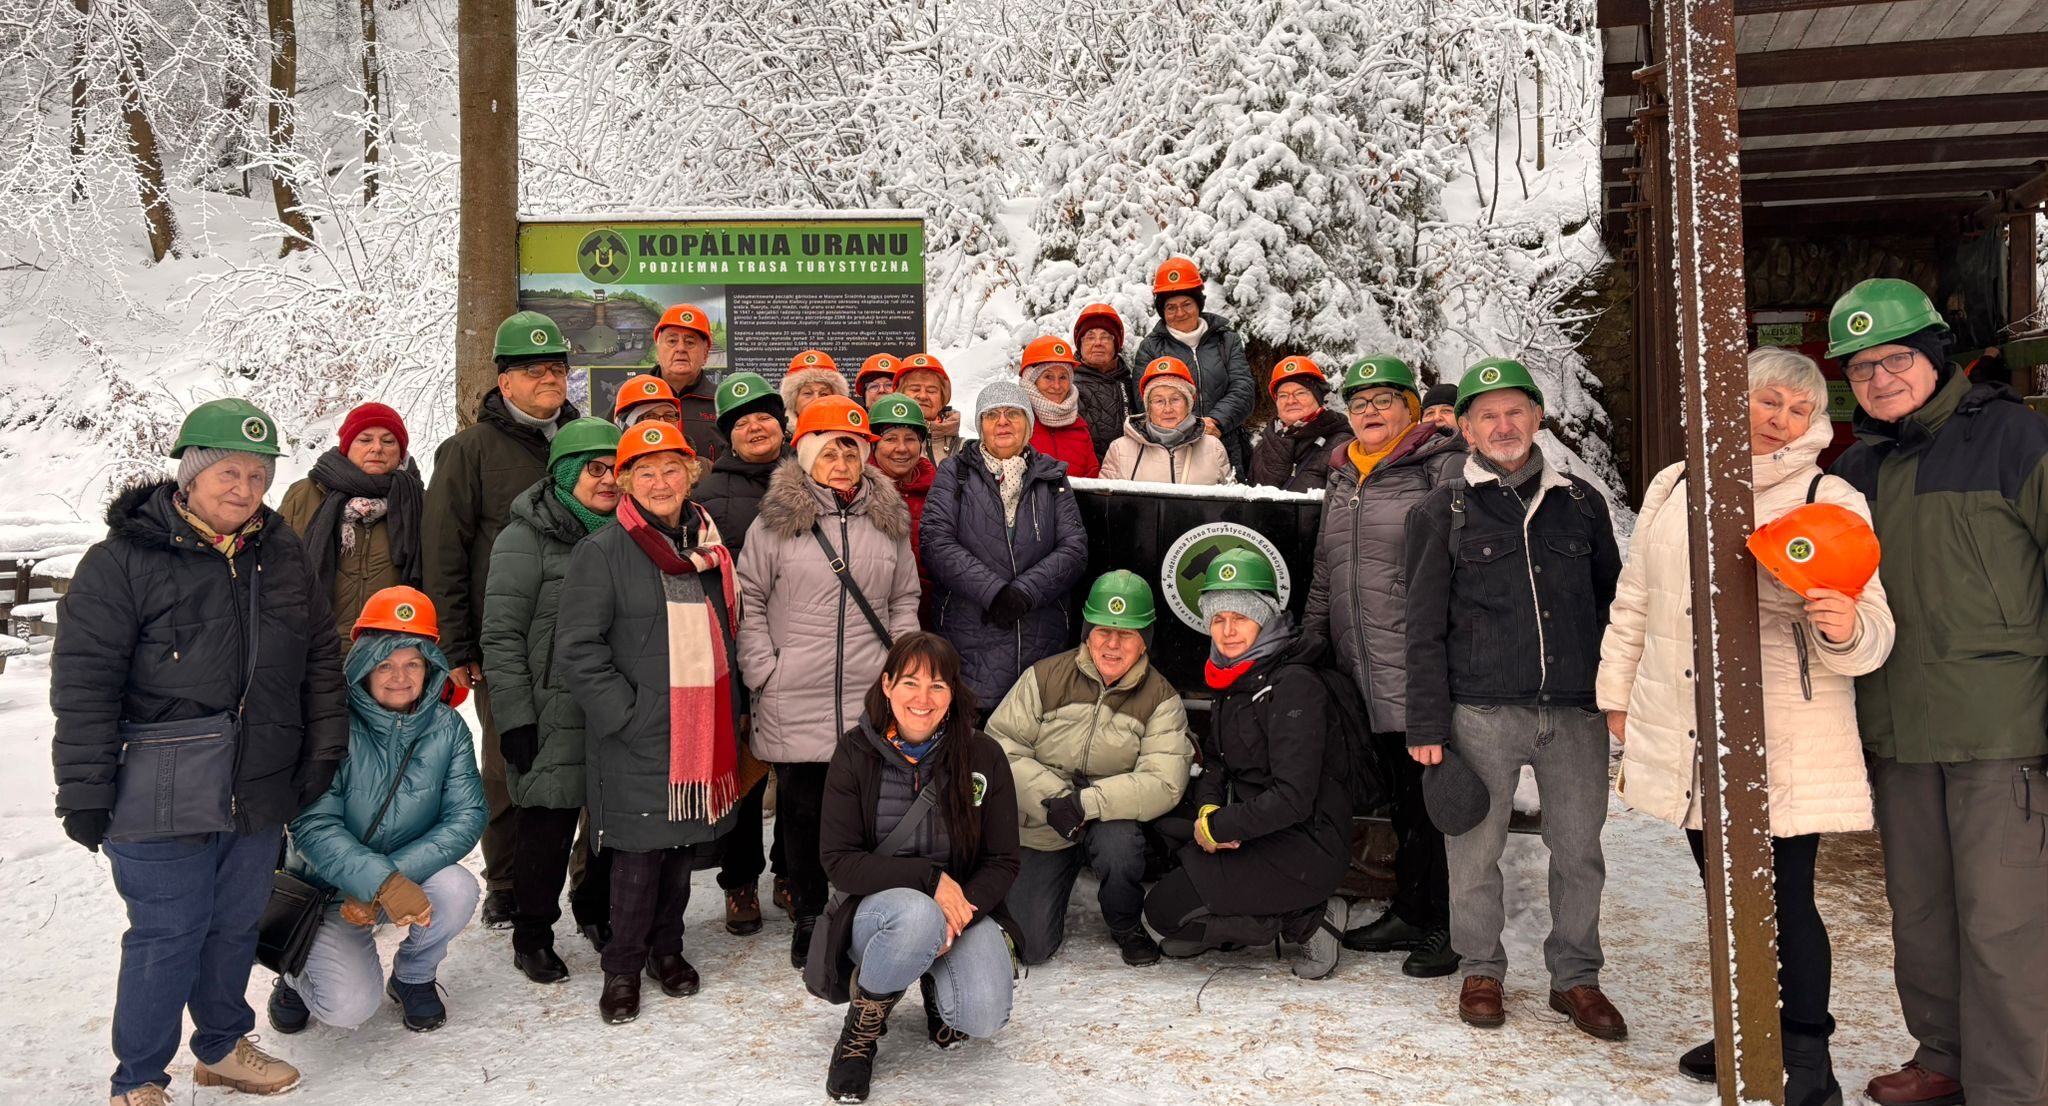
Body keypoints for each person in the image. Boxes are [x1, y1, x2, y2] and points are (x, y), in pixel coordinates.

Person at [1599, 347, 1895, 1104]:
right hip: (1688, 717)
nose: (1783, 420)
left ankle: (1807, 1056)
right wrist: (1617, 690)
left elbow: (1872, 624)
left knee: (1783, 894)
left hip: (1785, 727)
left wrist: (1843, 628)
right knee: (1722, 888)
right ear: (1733, 401)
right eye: (1769, 402)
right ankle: (1746, 1024)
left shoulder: (1828, 494)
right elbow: (1636, 598)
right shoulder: (1678, 482)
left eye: (1800, 410)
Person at [54, 398, 347, 1103]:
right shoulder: (121, 562)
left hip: (257, 778)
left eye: (258, 474)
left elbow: (318, 658)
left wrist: (320, 748)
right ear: (189, 475)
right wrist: (85, 788)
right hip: (159, 782)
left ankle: (220, 1048)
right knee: (168, 930)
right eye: (228, 472)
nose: (244, 489)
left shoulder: (280, 556)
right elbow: (85, 682)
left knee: (234, 923)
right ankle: (140, 1078)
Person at [1823, 278, 2048, 1106]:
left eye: (1895, 360)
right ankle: (1944, 1055)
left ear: (1934, 355)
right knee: (1921, 919)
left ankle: (2015, 1087)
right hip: (1896, 731)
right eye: (1861, 370)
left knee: (2005, 924)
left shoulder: (2015, 440)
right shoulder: (1855, 469)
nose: (1880, 380)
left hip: (2002, 729)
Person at [1405, 358, 1624, 1038]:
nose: (1503, 426)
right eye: (1487, 416)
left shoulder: (1583, 503)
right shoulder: (1441, 510)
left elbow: (1615, 608)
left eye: (1515, 412)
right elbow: (1422, 624)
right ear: (1466, 429)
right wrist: (1426, 722)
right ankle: (1481, 968)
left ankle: (1576, 978)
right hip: (1480, 713)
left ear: (1537, 418)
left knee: (1579, 849)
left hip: (1574, 711)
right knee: (1474, 852)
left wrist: (1619, 696)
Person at [556, 420, 745, 1024]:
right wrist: (629, 715)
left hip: (702, 727)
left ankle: (668, 950)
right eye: (645, 471)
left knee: (681, 851)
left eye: (671, 469)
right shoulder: (603, 551)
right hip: (639, 732)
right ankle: (622, 966)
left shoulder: (711, 548)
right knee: (637, 859)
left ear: (690, 473)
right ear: (628, 482)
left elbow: (727, 638)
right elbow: (579, 649)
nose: (660, 482)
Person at [737, 396, 923, 973]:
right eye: (829, 448)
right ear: (807, 452)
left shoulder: (888, 521)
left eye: (852, 448)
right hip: (796, 688)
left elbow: (903, 598)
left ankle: (856, 907)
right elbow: (749, 598)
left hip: (869, 690)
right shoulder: (776, 520)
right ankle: (811, 913)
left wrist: (899, 662)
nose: (841, 460)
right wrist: (764, 668)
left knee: (863, 811)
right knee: (803, 810)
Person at [1301, 356, 1464, 976]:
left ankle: (1451, 924)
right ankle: (1414, 908)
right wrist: (1316, 638)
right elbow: (1326, 570)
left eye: (1384, 400)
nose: (1370, 411)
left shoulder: (1440, 467)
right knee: (1402, 798)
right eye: (1360, 401)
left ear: (1411, 410)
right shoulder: (1344, 478)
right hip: (1361, 661)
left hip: (1424, 664)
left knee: (1439, 799)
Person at [424, 310, 582, 928]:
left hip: (583, 631)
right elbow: (443, 549)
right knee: (511, 758)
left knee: (584, 758)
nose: (549, 378)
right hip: (505, 638)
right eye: (533, 369)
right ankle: (508, 880)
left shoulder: (587, 437)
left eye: (558, 368)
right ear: (504, 380)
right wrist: (458, 642)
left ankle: (584, 875)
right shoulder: (470, 451)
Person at [270, 588, 485, 1035]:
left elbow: (466, 816)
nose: (399, 677)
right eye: (385, 663)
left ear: (431, 668)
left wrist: (390, 880)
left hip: (400, 878)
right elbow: (312, 824)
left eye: (413, 663)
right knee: (348, 1009)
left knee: (458, 889)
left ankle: (412, 977)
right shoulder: (331, 724)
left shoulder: (448, 728)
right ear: (364, 665)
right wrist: (379, 883)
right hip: (327, 892)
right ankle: (294, 972)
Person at [816, 633, 1020, 1104]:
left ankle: (933, 984)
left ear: (954, 694)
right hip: (880, 915)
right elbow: (839, 862)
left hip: (960, 910)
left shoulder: (984, 756)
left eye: (938, 686)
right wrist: (929, 881)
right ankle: (859, 1037)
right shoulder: (854, 754)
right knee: (916, 916)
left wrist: (960, 909)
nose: (922, 699)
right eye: (910, 682)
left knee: (983, 1015)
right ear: (887, 685)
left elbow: (1004, 859)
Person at [1138, 550, 1348, 980]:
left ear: (1266, 619)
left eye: (1241, 617)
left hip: (1305, 841)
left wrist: (1224, 829)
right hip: (1256, 828)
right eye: (1218, 619)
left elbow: (1294, 797)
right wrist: (1210, 811)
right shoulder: (1236, 675)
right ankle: (1230, 918)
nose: (1228, 631)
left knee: (1163, 912)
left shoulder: (1294, 684)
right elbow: (1215, 758)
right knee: (1163, 866)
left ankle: (1309, 920)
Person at [988, 571, 1192, 967]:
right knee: (1030, 946)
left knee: (1119, 848)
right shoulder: (1044, 677)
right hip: (1045, 819)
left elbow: (1164, 781)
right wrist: (1055, 799)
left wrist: (1086, 803)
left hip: (1107, 818)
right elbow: (1001, 747)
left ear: (1144, 639)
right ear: (1087, 633)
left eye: (1127, 634)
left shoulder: (1161, 698)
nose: (1112, 645)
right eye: (1102, 631)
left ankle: (1125, 923)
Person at [480, 417, 622, 983]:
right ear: (566, 474)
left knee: (612, 823)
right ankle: (533, 932)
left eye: (616, 469)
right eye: (595, 469)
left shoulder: (631, 532)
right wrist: (515, 717)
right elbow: (502, 635)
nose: (608, 480)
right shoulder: (524, 539)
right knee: (547, 826)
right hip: (550, 708)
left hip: (614, 704)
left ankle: (596, 906)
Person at [695, 370, 793, 932]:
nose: (755, 427)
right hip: (735, 653)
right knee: (745, 775)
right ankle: (739, 882)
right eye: (742, 421)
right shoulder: (707, 496)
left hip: (801, 649)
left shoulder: (811, 482)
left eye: (764, 416)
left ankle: (788, 871)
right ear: (728, 434)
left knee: (800, 775)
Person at [922, 381, 1090, 708]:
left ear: (1027, 424)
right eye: (991, 415)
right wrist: (994, 593)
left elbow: (1073, 548)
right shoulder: (953, 473)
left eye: (1012, 413)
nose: (1002, 421)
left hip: (1040, 634)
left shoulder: (1052, 476)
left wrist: (1024, 593)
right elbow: (936, 541)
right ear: (980, 425)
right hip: (970, 634)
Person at [279, 401, 425, 640]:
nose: (377, 448)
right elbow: (276, 569)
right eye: (365, 440)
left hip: (392, 652)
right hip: (318, 650)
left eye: (388, 441)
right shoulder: (307, 494)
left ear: (400, 451)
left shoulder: (418, 502)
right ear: (346, 447)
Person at [1132, 256, 1255, 475]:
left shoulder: (1226, 340)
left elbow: (1243, 387)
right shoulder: (1150, 347)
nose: (1180, 313)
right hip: (1171, 450)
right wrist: (1188, 429)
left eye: (1186, 304)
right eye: (1171, 307)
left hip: (1224, 442)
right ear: (1162, 311)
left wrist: (1216, 421)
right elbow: (1145, 401)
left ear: (1198, 303)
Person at [1099, 357, 1233, 484]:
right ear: (1148, 407)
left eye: (1175, 399)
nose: (1167, 409)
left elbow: (1229, 504)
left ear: (1188, 404)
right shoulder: (1120, 449)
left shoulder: (1213, 448)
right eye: (1158, 401)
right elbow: (1105, 503)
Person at [868, 394, 938, 619]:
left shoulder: (940, 492)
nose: (901, 448)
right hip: (873, 617)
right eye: (890, 439)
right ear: (873, 444)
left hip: (931, 615)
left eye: (910, 438)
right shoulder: (858, 493)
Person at [1248, 356, 1352, 492]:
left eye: (1300, 393)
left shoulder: (1342, 446)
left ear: (1318, 397)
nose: (1290, 401)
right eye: (1283, 395)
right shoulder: (1263, 445)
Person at [651, 303, 724, 458]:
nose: (681, 348)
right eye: (672, 341)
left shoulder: (723, 402)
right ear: (658, 350)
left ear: (705, 354)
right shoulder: (632, 398)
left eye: (690, 342)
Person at [1020, 336, 1100, 478]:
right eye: (1048, 377)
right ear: (1031, 381)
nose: (1057, 386)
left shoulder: (1080, 429)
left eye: (1063, 377)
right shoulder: (1015, 424)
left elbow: (1092, 482)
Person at [1072, 302, 1136, 460]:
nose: (1098, 343)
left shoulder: (1131, 385)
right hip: (1087, 479)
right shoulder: (1067, 386)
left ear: (1117, 345)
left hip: (1131, 478)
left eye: (1106, 337)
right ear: (1080, 345)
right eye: (1090, 337)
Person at [893, 352, 962, 465]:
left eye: (931, 391)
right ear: (899, 395)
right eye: (915, 389)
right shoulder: (882, 442)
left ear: (942, 399)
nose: (923, 396)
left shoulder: (964, 450)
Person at [782, 349, 850, 423]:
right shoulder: (779, 433)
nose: (816, 399)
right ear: (793, 401)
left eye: (824, 394)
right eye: (807, 393)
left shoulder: (850, 433)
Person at [613, 374, 681, 428]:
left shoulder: (688, 445)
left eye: (669, 416)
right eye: (650, 416)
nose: (662, 423)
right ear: (626, 425)